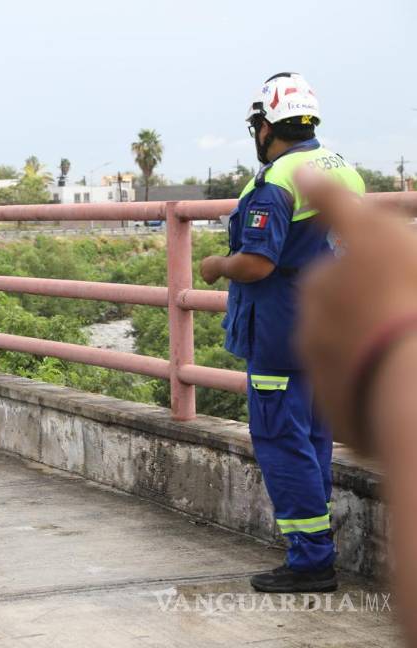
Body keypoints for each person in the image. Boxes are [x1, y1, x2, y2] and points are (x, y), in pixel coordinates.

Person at [198, 72, 365, 593]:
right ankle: (318, 548)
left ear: (267, 127)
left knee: (282, 444)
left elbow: (257, 263)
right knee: (313, 440)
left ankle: (311, 561)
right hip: (326, 331)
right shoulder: (341, 169)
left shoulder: (276, 182)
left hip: (281, 336)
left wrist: (217, 265)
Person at [294, 168, 417, 646]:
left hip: (297, 336)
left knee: (293, 443)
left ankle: (309, 559)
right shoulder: (337, 164)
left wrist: (391, 353)